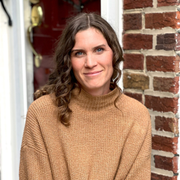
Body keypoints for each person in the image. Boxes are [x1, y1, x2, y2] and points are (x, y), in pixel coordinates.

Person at [19, 13, 151, 179]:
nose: (90, 63)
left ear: (114, 53)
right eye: (79, 53)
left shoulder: (136, 116)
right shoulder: (42, 113)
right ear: (68, 61)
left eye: (99, 50)